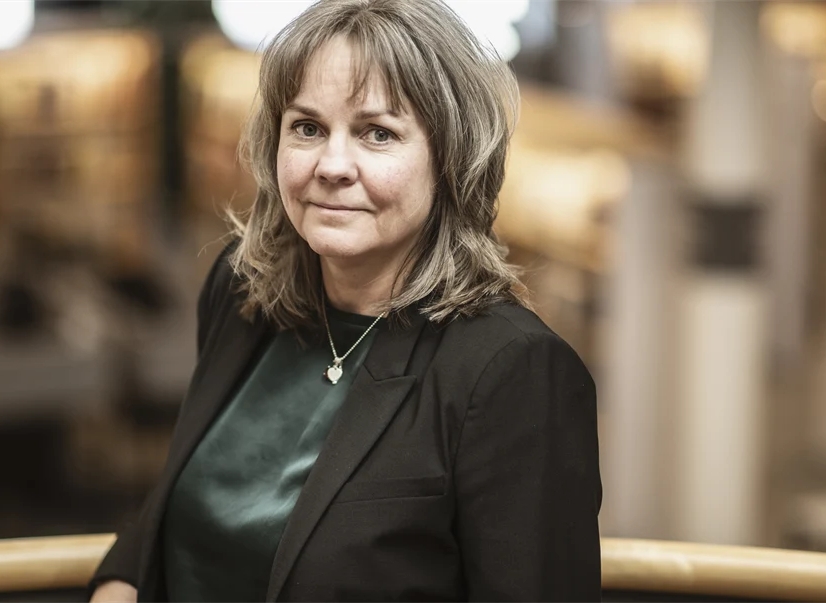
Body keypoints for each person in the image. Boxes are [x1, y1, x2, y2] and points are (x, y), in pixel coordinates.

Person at [89, 0, 601, 601]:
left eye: (377, 134)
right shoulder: (241, 289)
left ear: (452, 160)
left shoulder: (512, 372)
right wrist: (119, 584)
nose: (332, 166)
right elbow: (177, 506)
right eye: (307, 127)